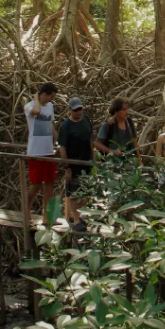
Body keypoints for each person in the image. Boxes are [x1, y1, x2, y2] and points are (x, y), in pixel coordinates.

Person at [58, 97, 95, 232]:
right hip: (73, 164)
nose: (78, 112)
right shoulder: (65, 126)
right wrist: (67, 167)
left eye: (80, 109)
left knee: (86, 192)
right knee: (74, 193)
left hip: (87, 163)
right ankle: (76, 218)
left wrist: (93, 157)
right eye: (75, 110)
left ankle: (76, 215)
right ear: (70, 111)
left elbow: (90, 139)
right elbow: (62, 148)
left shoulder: (86, 119)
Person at [25, 82, 59, 221]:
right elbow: (36, 112)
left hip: (48, 150)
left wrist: (59, 140)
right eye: (51, 97)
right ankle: (26, 213)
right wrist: (35, 99)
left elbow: (50, 125)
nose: (51, 100)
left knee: (50, 183)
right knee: (36, 184)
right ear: (44, 94)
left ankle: (48, 217)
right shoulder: (29, 106)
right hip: (35, 151)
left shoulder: (50, 106)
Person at [95, 98, 141, 165]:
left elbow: (134, 141)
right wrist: (112, 151)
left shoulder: (129, 122)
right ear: (116, 111)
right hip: (110, 163)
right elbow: (97, 144)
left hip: (127, 161)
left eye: (127, 109)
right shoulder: (109, 125)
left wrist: (139, 160)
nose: (126, 112)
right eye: (123, 110)